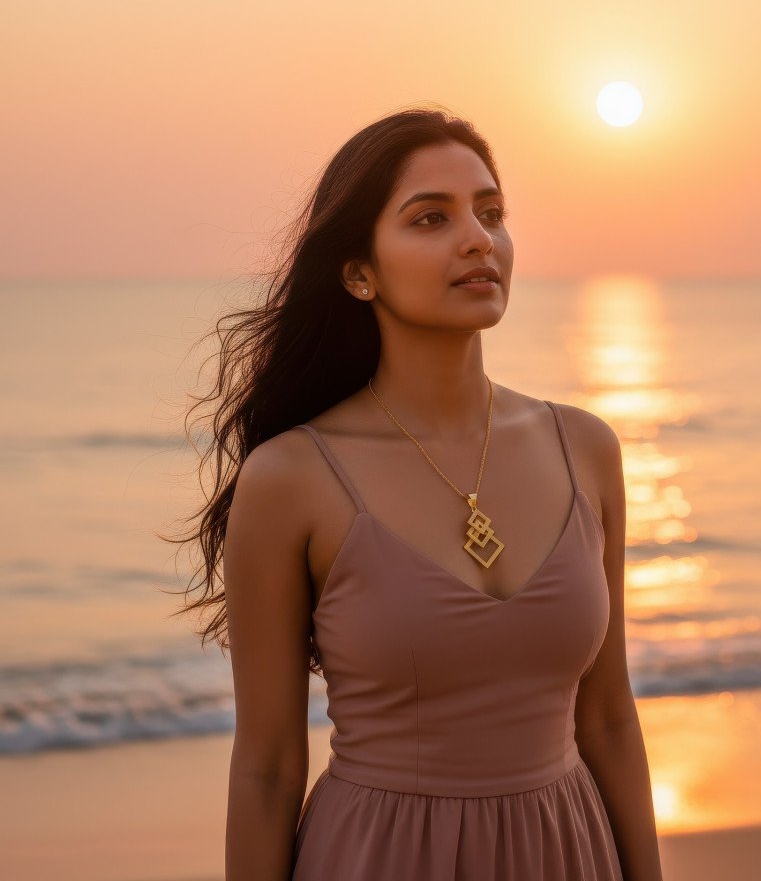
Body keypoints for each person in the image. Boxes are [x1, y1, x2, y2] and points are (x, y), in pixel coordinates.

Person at [171, 106, 664, 880]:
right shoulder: (293, 479)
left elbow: (606, 719)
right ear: (359, 273)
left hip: (568, 852)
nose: (478, 238)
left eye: (491, 212)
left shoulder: (586, 450)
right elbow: (266, 768)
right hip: (379, 857)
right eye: (431, 218)